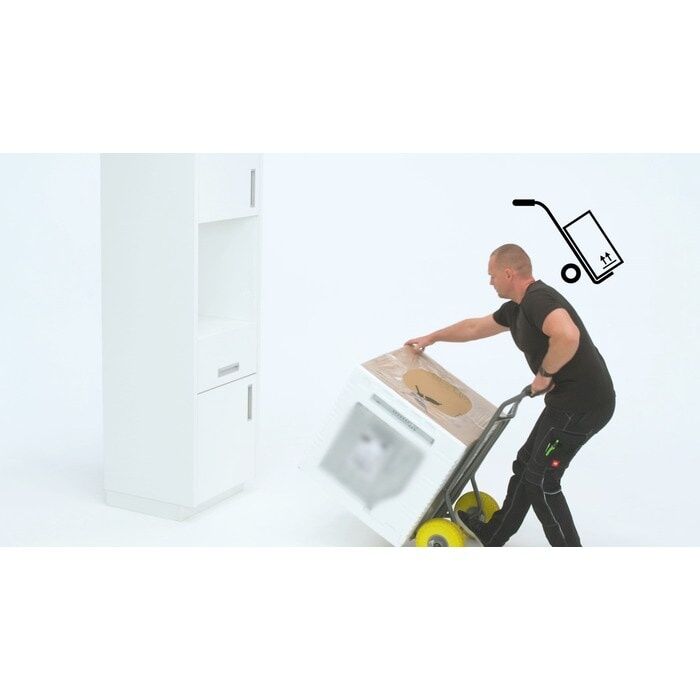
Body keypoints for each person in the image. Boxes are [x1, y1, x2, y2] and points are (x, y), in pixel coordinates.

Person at [404, 244, 615, 547]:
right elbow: (474, 327)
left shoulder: (539, 300)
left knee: (542, 481)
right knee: (526, 464)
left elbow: (568, 335)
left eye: (492, 275)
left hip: (584, 406)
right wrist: (432, 337)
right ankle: (494, 534)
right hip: (566, 403)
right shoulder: (516, 309)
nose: (490, 282)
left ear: (508, 273)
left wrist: (545, 374)